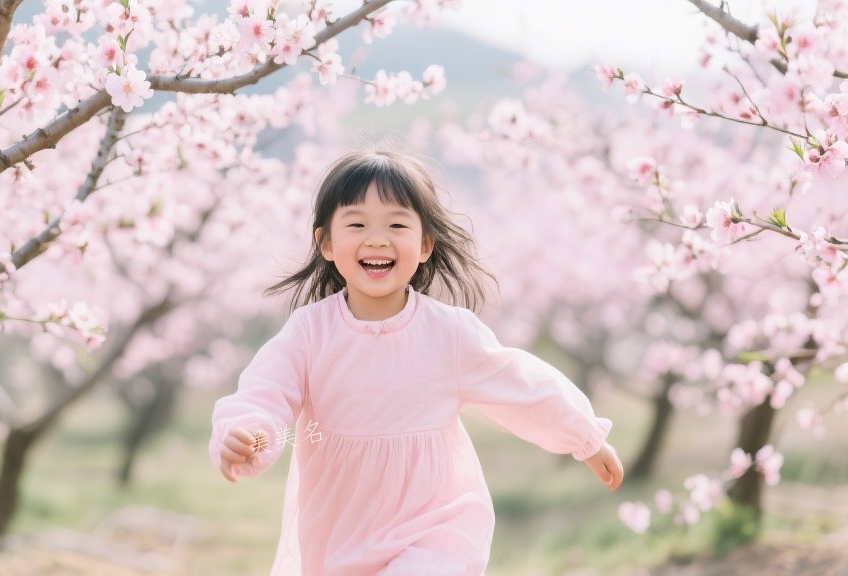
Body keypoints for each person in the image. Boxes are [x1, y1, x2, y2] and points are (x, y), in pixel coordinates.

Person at [209, 148, 624, 575]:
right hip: (340, 533)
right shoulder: (309, 332)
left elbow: (521, 385)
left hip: (438, 525)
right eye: (357, 224)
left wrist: (584, 436)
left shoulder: (450, 333)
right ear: (327, 243)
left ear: (425, 244)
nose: (377, 238)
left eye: (396, 224)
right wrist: (249, 439)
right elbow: (266, 398)